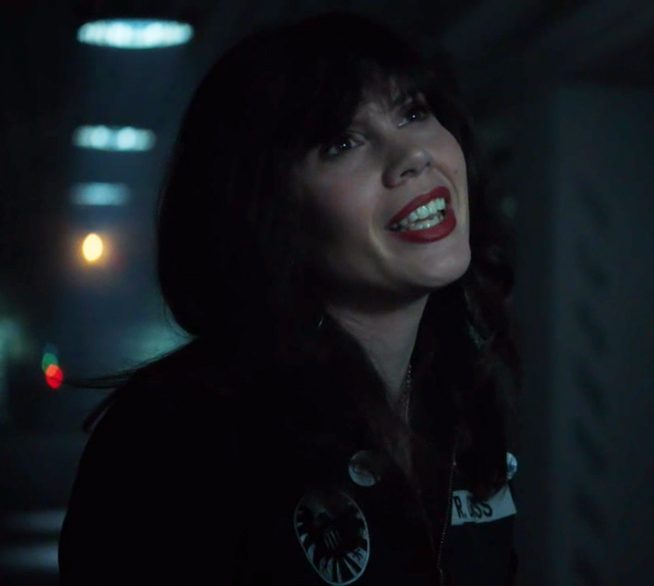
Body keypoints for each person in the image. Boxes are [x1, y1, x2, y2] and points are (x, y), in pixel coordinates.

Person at [58, 11, 522, 586]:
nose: (413, 156)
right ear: (267, 209)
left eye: (413, 112)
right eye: (343, 142)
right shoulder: (178, 435)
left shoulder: (460, 402)